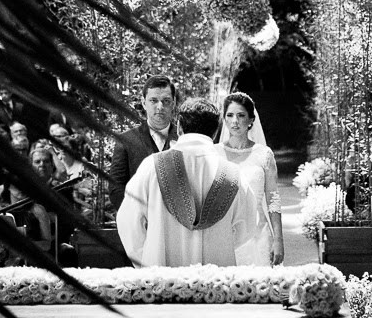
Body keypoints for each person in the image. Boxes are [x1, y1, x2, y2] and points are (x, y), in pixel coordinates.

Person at [117, 97, 257, 267]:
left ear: (179, 126)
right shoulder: (232, 174)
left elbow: (129, 222)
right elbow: (247, 227)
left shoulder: (152, 167)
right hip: (216, 281)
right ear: (216, 131)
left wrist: (148, 259)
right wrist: (220, 245)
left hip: (160, 279)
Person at [216, 92, 284, 266]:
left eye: (241, 115)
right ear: (224, 119)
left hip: (258, 235)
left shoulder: (263, 154)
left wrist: (278, 240)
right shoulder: (214, 153)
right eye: (230, 115)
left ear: (251, 120)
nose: (235, 121)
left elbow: (273, 199)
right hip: (224, 237)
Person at [109, 75, 179, 211]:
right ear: (143, 102)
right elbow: (116, 189)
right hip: (140, 223)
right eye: (153, 100)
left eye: (166, 101)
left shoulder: (184, 138)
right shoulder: (126, 141)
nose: (160, 106)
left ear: (174, 103)